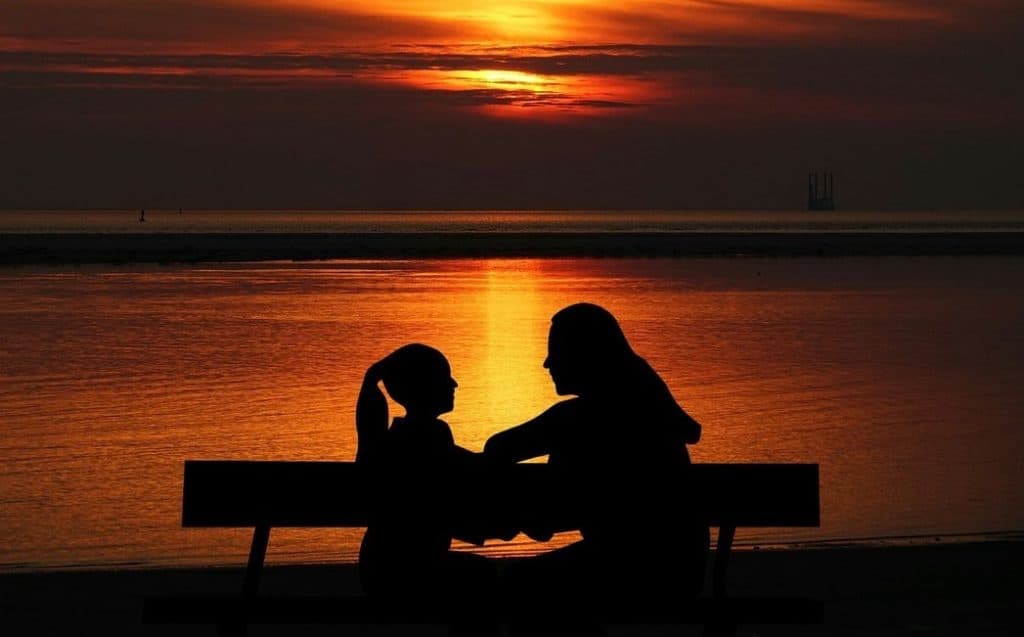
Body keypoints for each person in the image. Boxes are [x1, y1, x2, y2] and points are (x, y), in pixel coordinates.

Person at [484, 303, 709, 621]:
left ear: (583, 354)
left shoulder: (575, 419)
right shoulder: (651, 409)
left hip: (631, 568)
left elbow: (497, 448)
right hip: (684, 568)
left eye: (556, 351)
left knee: (519, 584)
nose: (547, 362)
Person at [355, 343, 498, 633]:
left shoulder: (395, 437)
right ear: (425, 387)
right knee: (485, 579)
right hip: (407, 571)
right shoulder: (433, 435)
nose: (454, 383)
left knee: (479, 578)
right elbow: (456, 483)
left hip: (380, 566)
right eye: (446, 377)